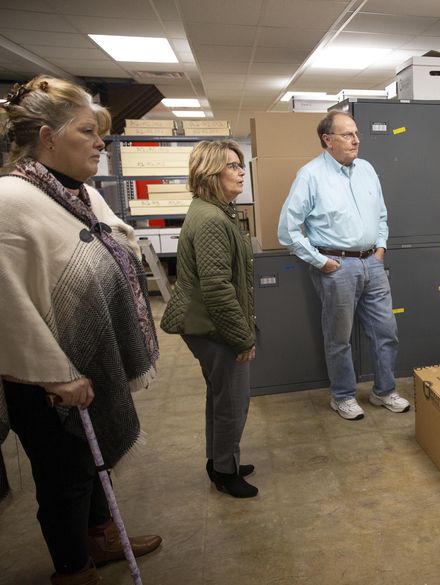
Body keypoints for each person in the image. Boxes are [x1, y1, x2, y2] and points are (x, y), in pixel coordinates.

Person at [0, 76, 162, 584]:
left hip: (90, 359)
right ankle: (74, 568)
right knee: (64, 476)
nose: (100, 142)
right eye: (88, 131)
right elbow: (6, 302)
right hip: (45, 378)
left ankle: (101, 536)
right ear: (47, 136)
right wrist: (55, 375)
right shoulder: (10, 200)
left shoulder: (80, 193)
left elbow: (116, 242)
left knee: (94, 465)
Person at [277, 110, 409, 421]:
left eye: (356, 133)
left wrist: (381, 248)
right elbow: (287, 230)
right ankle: (342, 396)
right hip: (338, 268)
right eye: (348, 134)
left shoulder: (366, 169)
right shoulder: (310, 175)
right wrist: (322, 262)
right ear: (327, 140)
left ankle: (384, 391)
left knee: (386, 331)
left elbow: (381, 216)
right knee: (339, 338)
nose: (356, 139)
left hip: (372, 265)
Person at [160, 141, 258, 498]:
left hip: (208, 324)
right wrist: (242, 338)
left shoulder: (215, 210)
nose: (241, 172)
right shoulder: (213, 218)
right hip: (213, 327)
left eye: (240, 165)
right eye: (232, 166)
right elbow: (217, 288)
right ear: (210, 173)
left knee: (221, 397)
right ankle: (224, 471)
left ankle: (221, 459)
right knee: (233, 400)